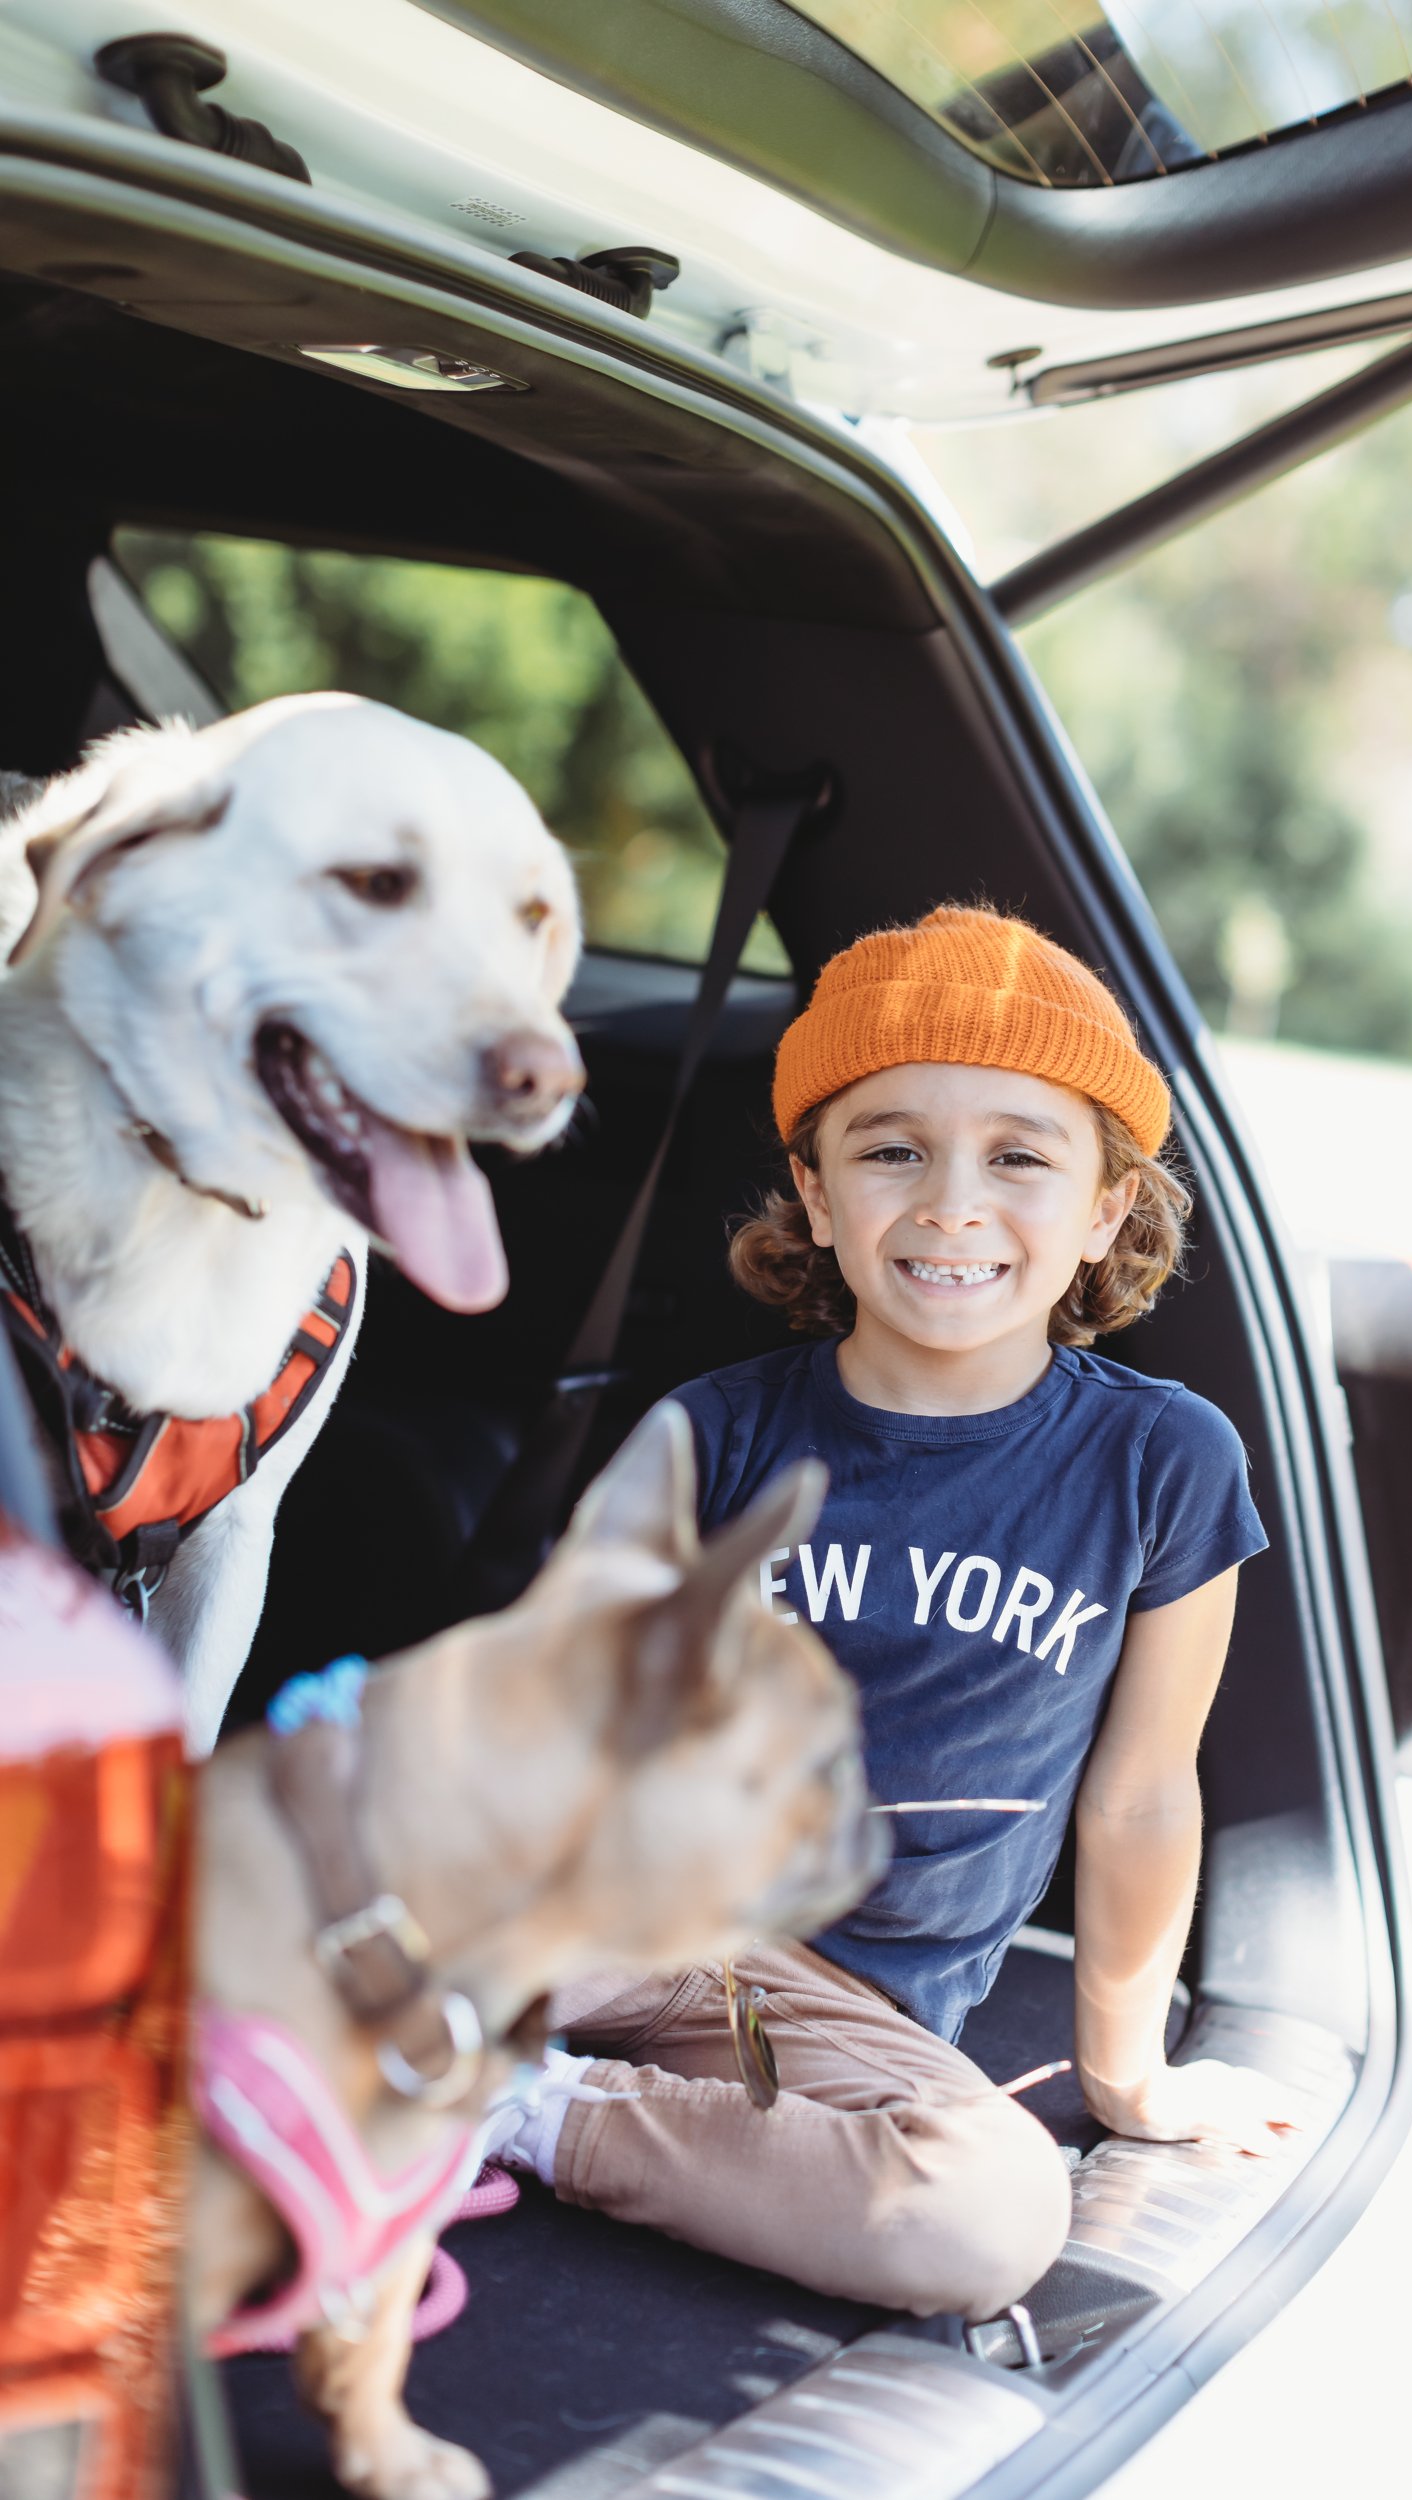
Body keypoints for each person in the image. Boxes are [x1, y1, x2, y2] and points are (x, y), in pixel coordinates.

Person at [496, 905, 1301, 2322]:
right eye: (890, 1151)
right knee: (323, 1936)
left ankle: (523, 2116)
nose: (949, 1204)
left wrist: (1127, 2079)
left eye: (1019, 1157)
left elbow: (1138, 1799)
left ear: (1106, 1204)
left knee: (988, 2218)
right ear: (813, 1192)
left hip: (837, 2024)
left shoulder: (1164, 1462)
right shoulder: (713, 1435)